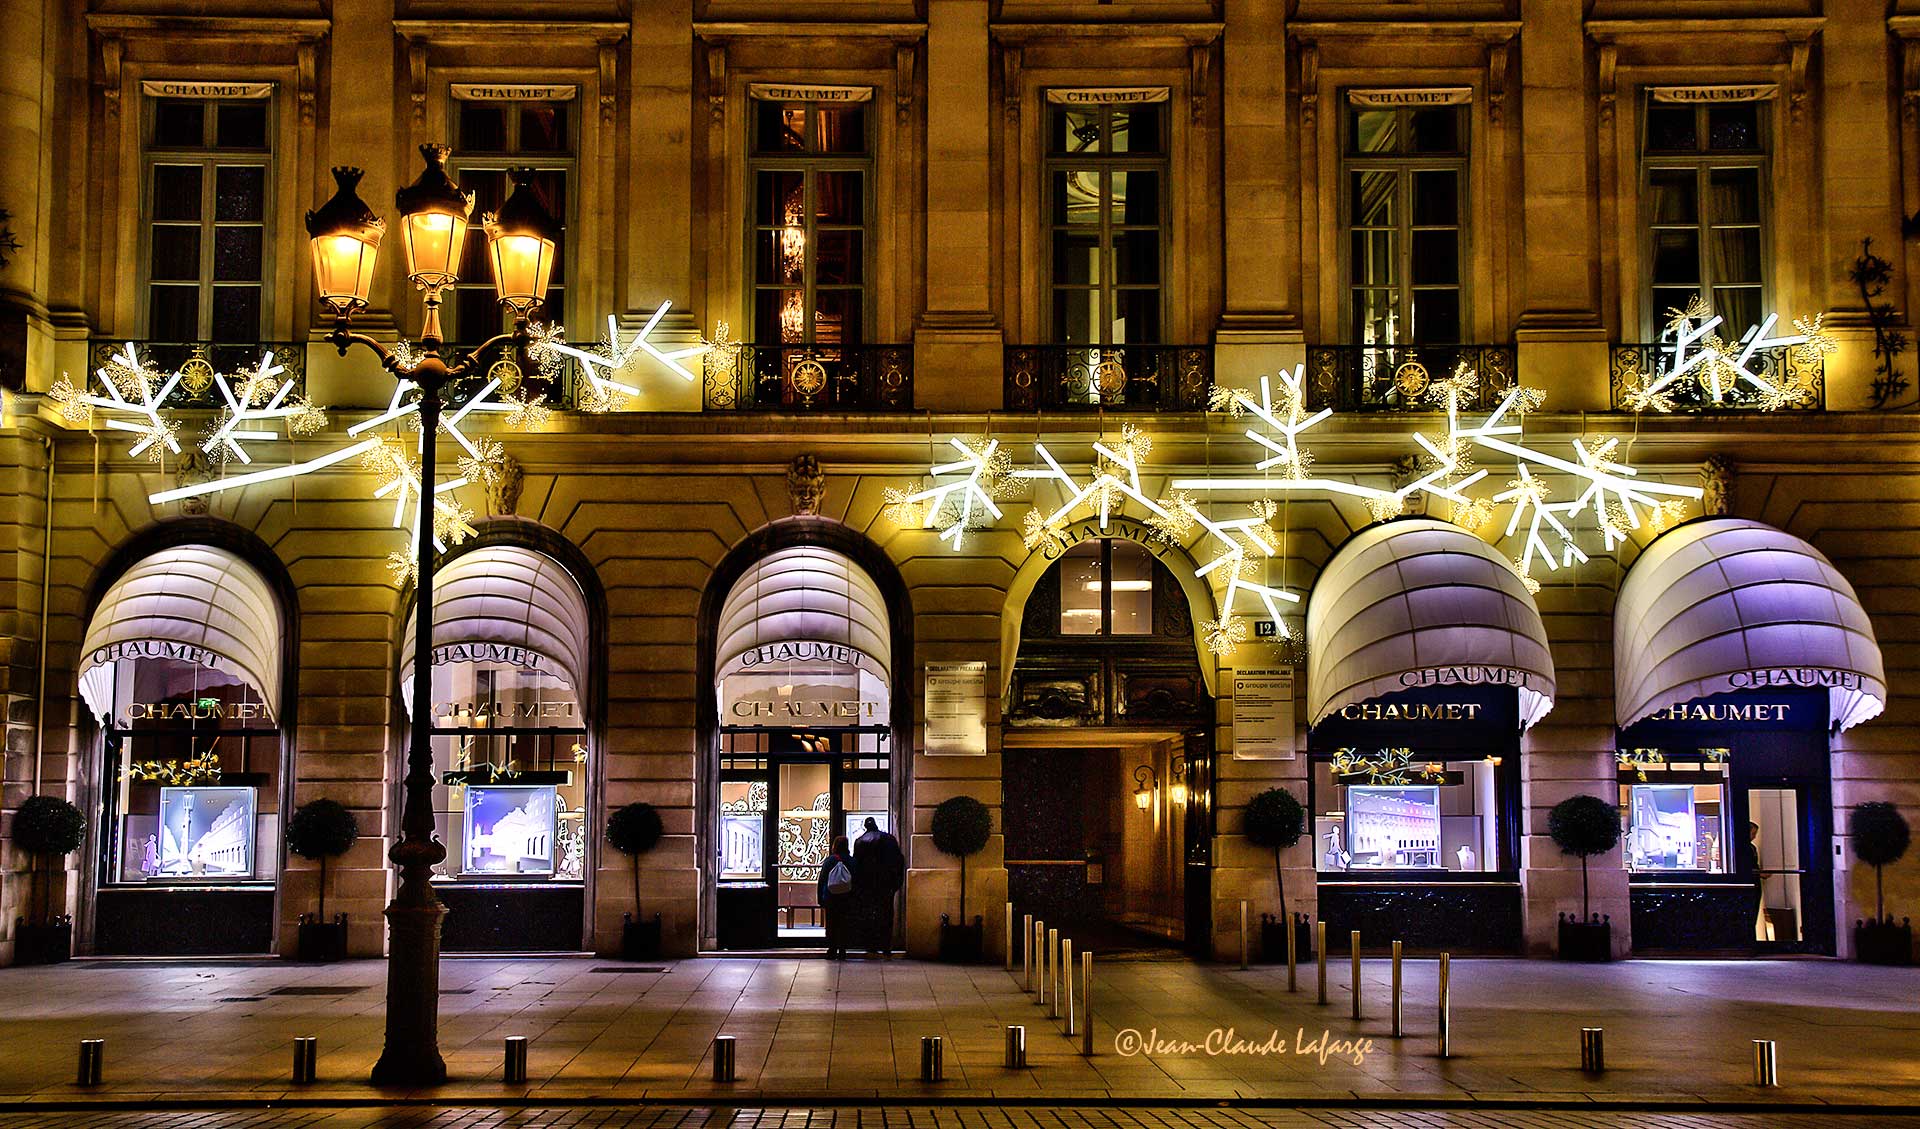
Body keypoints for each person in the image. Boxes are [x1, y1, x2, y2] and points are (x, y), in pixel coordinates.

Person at [852, 816, 904, 956]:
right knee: (886, 914)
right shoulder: (889, 839)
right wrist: (896, 883)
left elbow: (857, 866)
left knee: (869, 914)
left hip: (867, 885)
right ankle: (886, 946)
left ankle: (871, 945)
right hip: (886, 884)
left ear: (865, 826)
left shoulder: (859, 841)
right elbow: (899, 861)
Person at [817, 835, 855, 960]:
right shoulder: (851, 860)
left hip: (831, 897)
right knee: (844, 923)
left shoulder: (829, 860)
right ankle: (843, 950)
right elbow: (856, 880)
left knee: (832, 923)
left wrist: (820, 898)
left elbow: (822, 880)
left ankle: (832, 949)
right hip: (847, 897)